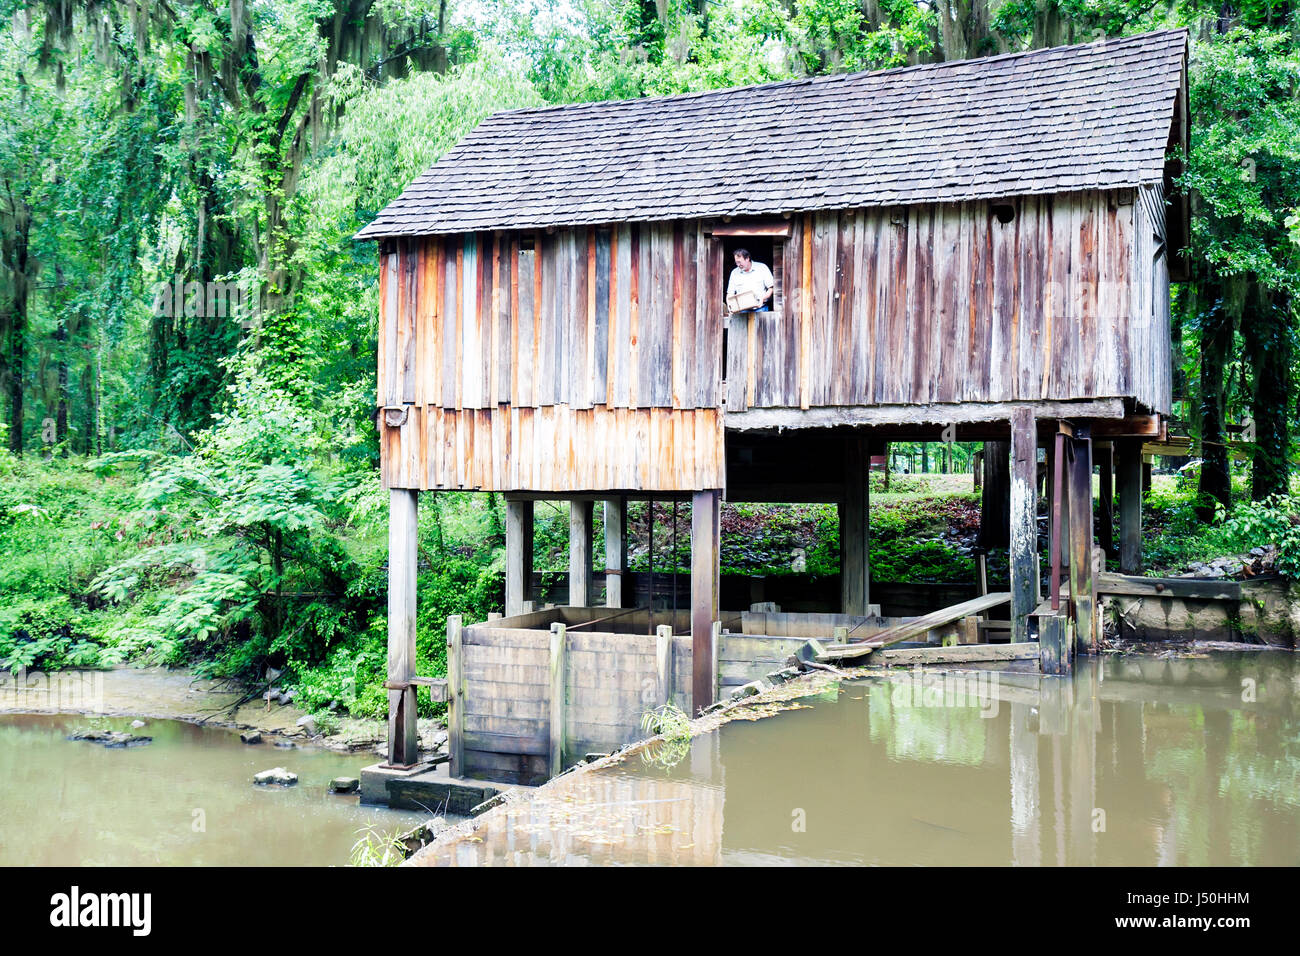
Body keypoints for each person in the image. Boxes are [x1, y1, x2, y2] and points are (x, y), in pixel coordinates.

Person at [726, 248, 774, 312]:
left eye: (739, 262)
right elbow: (730, 293)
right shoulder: (734, 272)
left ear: (747, 259)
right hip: (742, 311)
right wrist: (729, 304)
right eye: (736, 262)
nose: (738, 265)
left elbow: (771, 288)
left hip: (761, 309)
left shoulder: (762, 268)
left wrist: (762, 298)